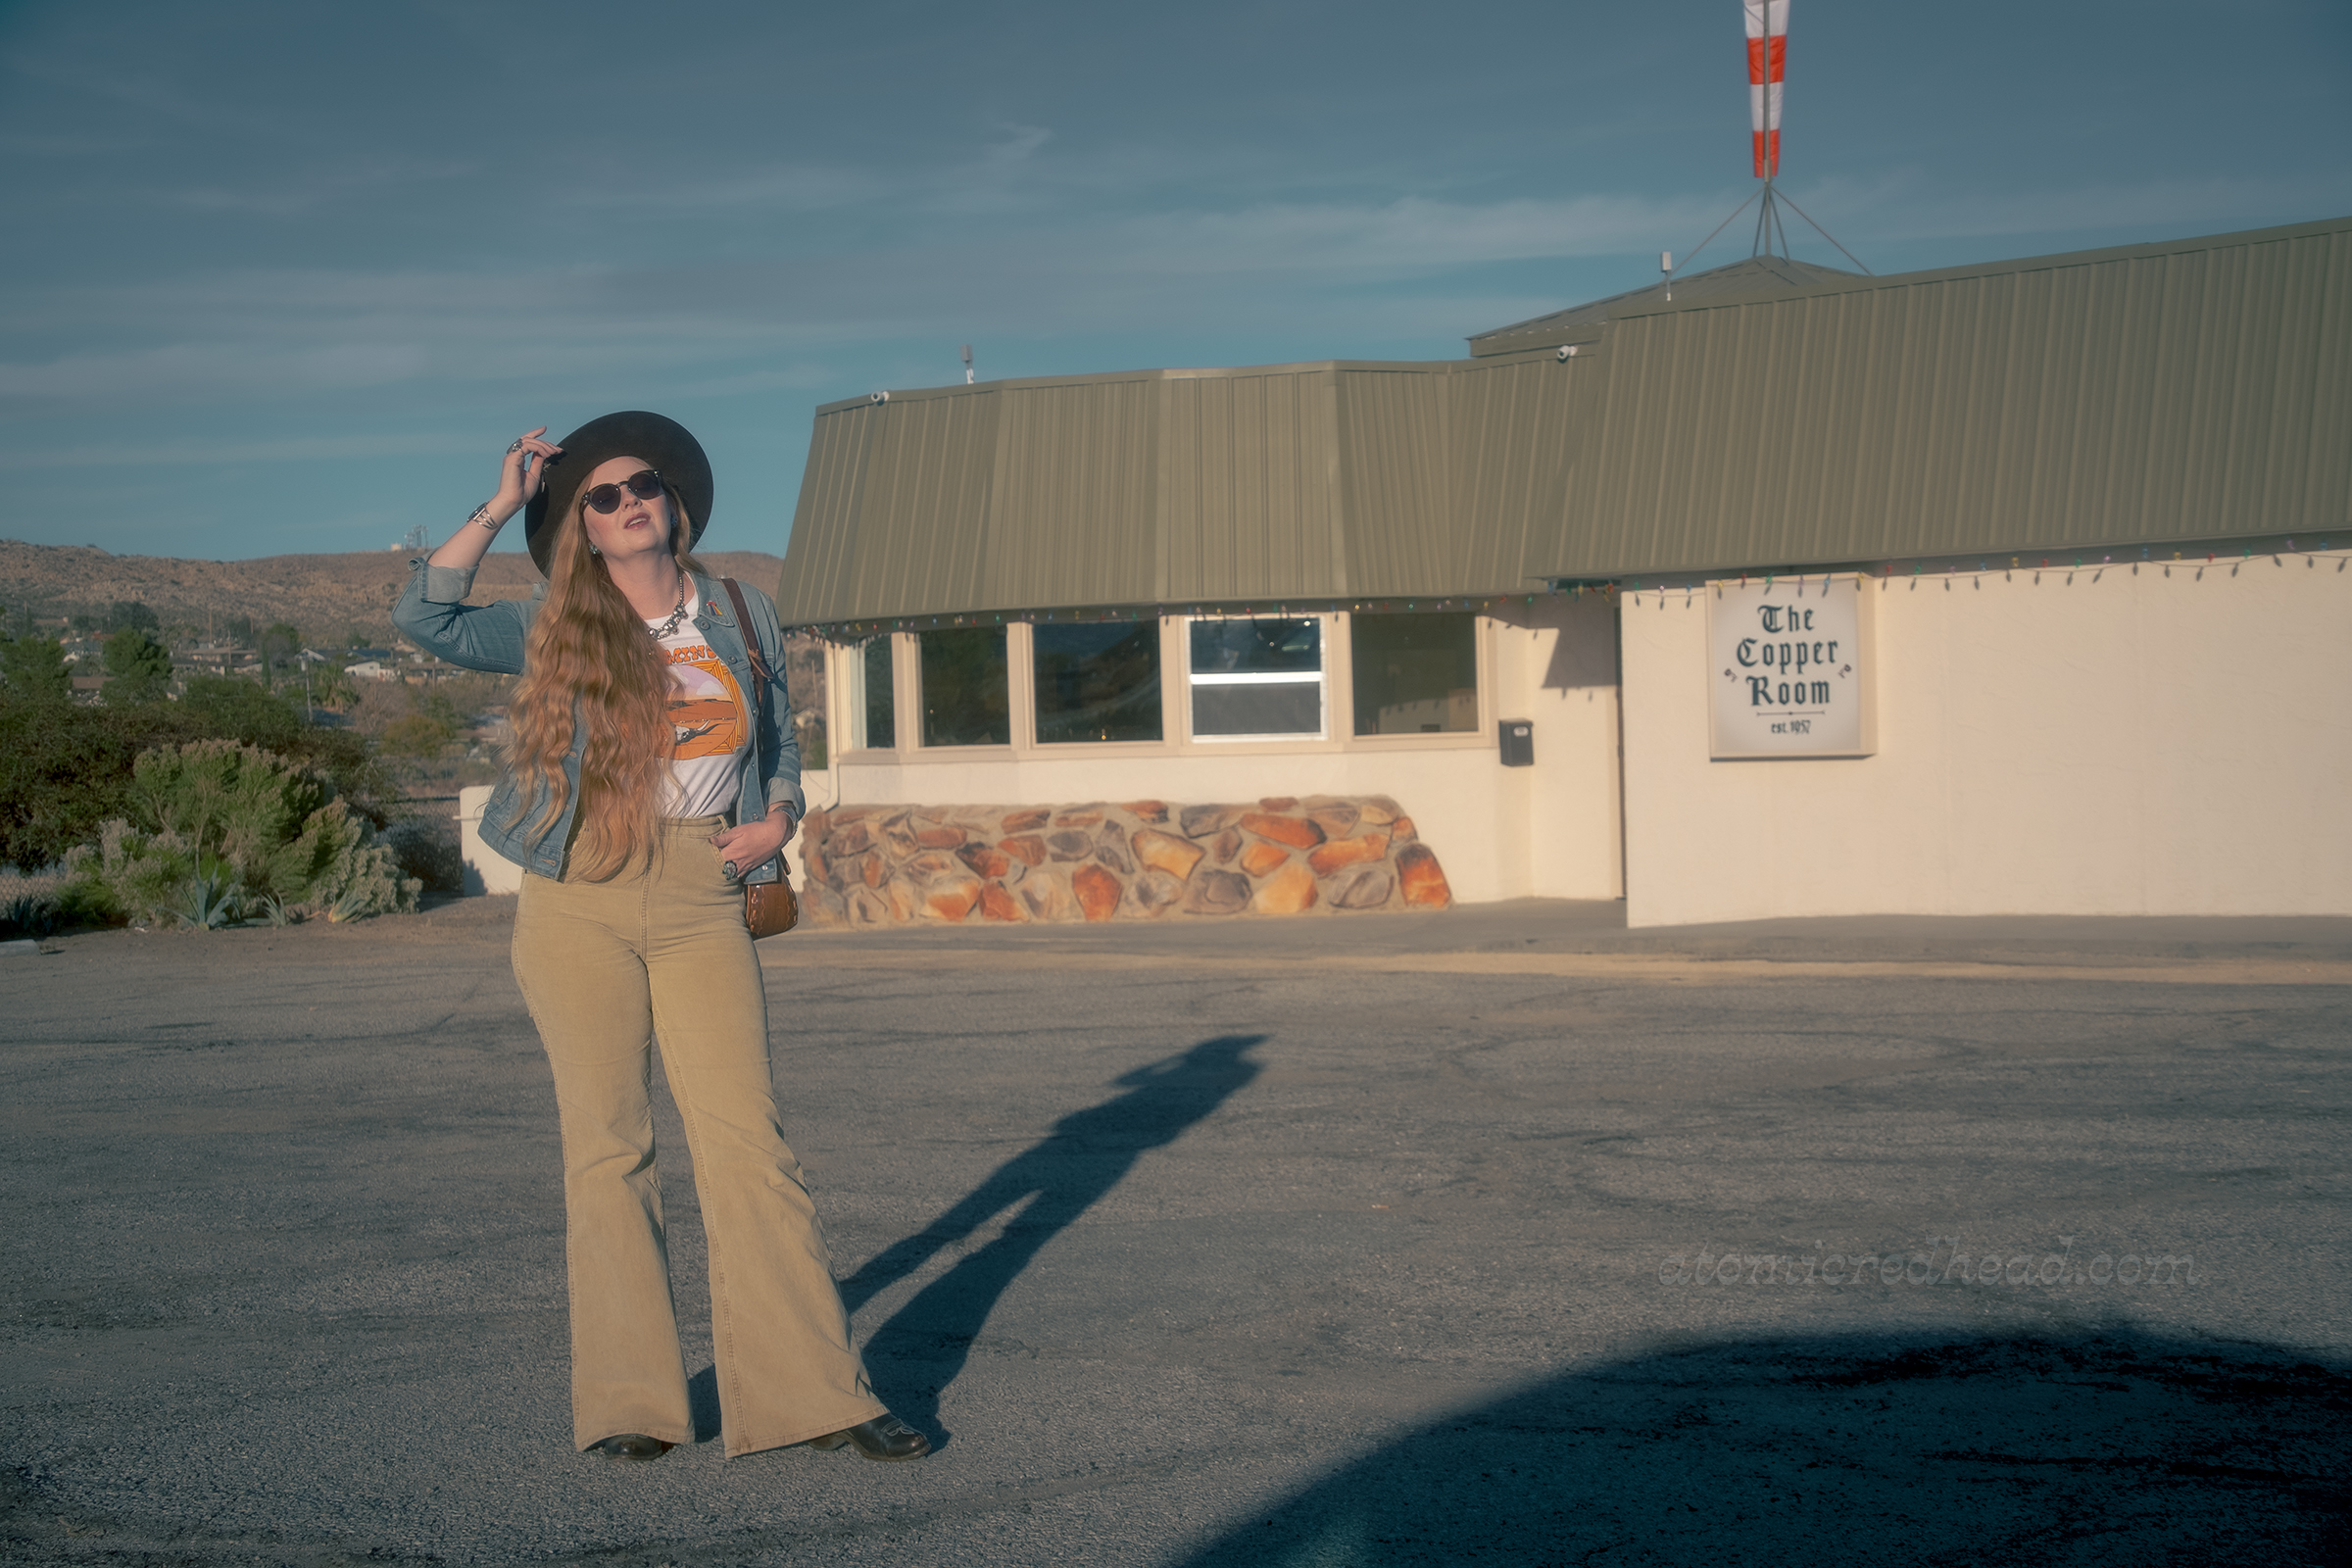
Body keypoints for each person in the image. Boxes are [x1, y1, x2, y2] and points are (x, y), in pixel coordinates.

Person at [392, 411, 927, 1465]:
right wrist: (503, 504)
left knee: (748, 1142)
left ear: (674, 505)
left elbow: (776, 740)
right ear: (584, 529)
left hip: (700, 889)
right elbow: (425, 616)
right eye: (601, 496)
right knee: (608, 1145)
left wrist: (780, 818)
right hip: (579, 888)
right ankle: (633, 1403)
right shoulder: (555, 621)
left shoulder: (739, 610)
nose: (629, 501)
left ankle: (813, 1396)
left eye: (644, 486)